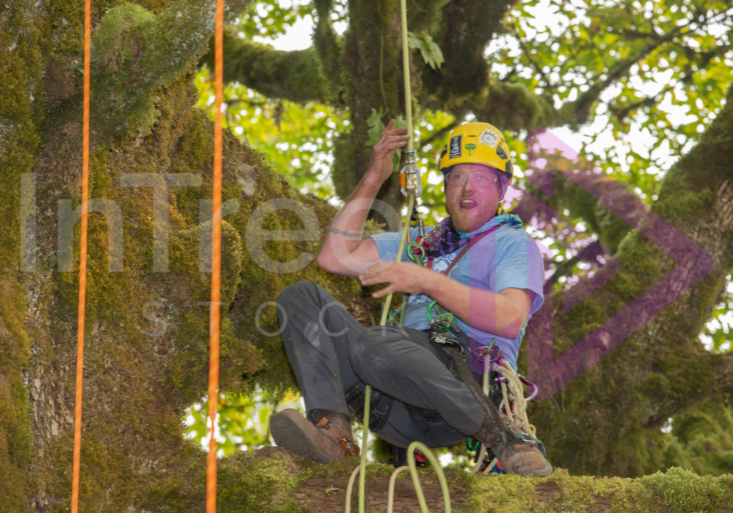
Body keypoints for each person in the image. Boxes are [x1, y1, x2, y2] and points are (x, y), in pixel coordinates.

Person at [270, 120, 552, 476]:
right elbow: (334, 257)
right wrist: (375, 175)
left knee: (376, 343)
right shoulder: (421, 244)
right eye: (457, 177)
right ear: (446, 187)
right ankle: (335, 435)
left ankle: (504, 437)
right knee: (302, 296)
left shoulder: (513, 244)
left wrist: (425, 280)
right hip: (391, 396)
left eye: (481, 177)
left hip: (466, 383)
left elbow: (510, 318)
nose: (467, 187)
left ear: (502, 187)